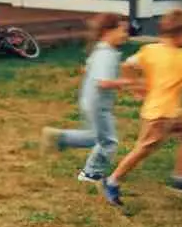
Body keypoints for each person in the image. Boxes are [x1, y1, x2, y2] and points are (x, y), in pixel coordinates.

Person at [102, 9, 182, 206]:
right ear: (181, 34)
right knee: (143, 149)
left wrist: (134, 86)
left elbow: (128, 65)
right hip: (161, 116)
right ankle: (112, 181)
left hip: (171, 112)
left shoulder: (150, 50)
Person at [41, 14, 132, 183]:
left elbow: (87, 69)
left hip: (90, 101)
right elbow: (103, 82)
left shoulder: (100, 50)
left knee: (94, 136)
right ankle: (91, 173)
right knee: (108, 141)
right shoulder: (106, 54)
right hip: (98, 105)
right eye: (122, 30)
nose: (125, 35)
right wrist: (124, 82)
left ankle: (59, 138)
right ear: (108, 31)